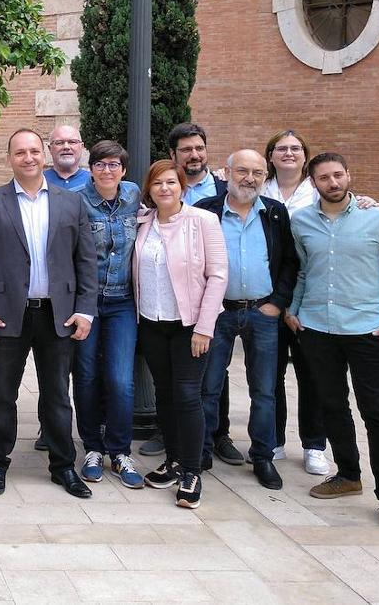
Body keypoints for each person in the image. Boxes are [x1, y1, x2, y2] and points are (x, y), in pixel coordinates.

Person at [287, 152, 379, 534]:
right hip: (316, 329)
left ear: (349, 176)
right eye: (324, 177)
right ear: (313, 183)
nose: (333, 182)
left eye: (338, 175)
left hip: (367, 332)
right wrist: (293, 310)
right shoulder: (302, 222)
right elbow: (301, 271)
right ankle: (347, 474)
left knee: (376, 410)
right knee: (331, 406)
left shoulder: (378, 218)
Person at [0, 130, 97, 499]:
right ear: (9, 158)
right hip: (8, 315)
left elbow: (85, 262)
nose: (28, 158)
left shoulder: (70, 203)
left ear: (45, 155)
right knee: (2, 394)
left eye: (34, 151)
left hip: (58, 315)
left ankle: (62, 467)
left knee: (57, 394)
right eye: (20, 152)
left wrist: (85, 310)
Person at [262, 129, 377, 476]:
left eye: (296, 148)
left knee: (313, 376)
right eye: (281, 148)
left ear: (304, 156)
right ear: (270, 156)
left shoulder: (320, 192)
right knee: (271, 374)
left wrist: (365, 201)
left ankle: (314, 444)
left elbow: (348, 209)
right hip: (269, 297)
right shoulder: (258, 187)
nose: (288, 153)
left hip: (310, 298)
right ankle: (273, 439)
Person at [194, 149, 298, 491]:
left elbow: (288, 264)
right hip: (218, 312)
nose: (249, 178)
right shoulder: (205, 210)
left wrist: (277, 304)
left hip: (262, 312)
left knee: (265, 389)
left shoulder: (276, 214)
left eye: (257, 172)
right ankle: (203, 449)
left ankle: (263, 456)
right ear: (226, 173)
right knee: (208, 386)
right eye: (242, 171)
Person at [134, 160, 227, 510]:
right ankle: (173, 460)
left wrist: (204, 327)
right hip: (153, 323)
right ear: (149, 189)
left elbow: (218, 276)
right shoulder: (144, 223)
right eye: (157, 183)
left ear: (182, 186)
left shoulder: (203, 221)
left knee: (188, 396)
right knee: (165, 395)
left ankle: (192, 470)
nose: (164, 189)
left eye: (171, 182)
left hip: (190, 327)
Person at [158, 122, 237, 466]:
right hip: (164, 312)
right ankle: (178, 444)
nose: (195, 155)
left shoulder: (225, 188)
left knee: (213, 377)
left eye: (199, 148)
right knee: (177, 385)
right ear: (173, 155)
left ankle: (215, 438)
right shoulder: (152, 207)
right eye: (186, 150)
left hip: (209, 307)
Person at [70, 140, 145, 489]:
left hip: (121, 303)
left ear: (124, 170)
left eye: (114, 165)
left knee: (120, 378)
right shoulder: (77, 202)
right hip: (87, 303)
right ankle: (92, 448)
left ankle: (119, 450)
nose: (107, 171)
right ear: (91, 168)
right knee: (85, 376)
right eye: (100, 164)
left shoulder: (132, 196)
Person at [44, 125, 91, 191]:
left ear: (82, 147)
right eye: (59, 143)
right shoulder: (39, 181)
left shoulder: (93, 182)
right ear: (50, 149)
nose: (66, 147)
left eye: (72, 142)